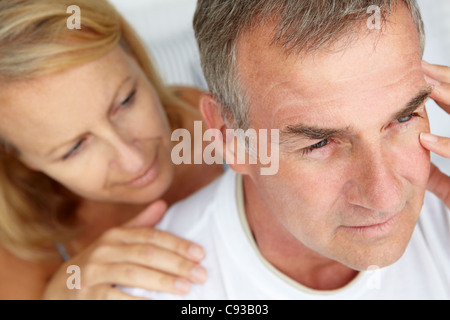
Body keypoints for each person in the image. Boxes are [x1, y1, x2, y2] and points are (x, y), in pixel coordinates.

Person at [125, 0, 450, 299]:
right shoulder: (149, 292)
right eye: (320, 143)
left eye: (405, 117)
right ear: (230, 139)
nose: (386, 198)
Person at [0, 0, 223, 299]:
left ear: (135, 57)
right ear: (19, 157)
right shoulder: (20, 251)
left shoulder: (204, 119)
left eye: (126, 101)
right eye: (75, 148)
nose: (134, 161)